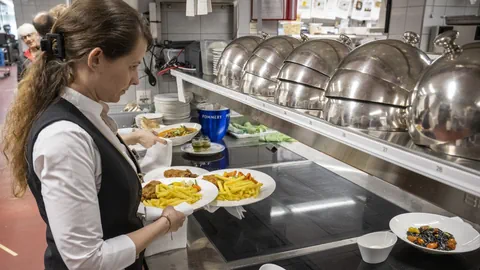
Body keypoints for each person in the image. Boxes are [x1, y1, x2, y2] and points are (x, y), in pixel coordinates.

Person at [2, 0, 186, 269]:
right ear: (96, 58)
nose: (136, 79)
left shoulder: (87, 113)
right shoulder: (64, 140)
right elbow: (86, 260)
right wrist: (166, 224)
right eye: (133, 66)